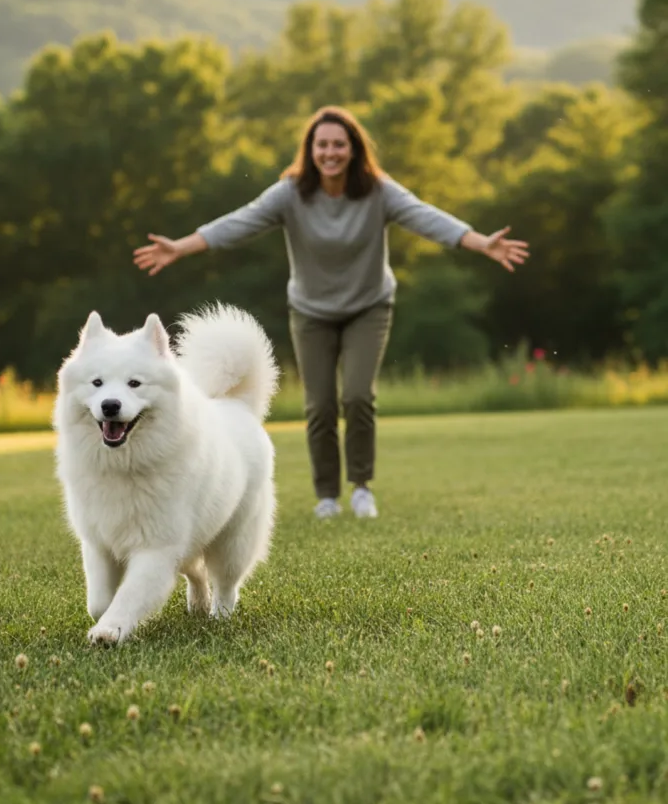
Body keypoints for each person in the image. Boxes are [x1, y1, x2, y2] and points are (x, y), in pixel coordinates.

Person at [132, 105, 529, 520]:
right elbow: (239, 222)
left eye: (339, 144)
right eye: (322, 144)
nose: (330, 152)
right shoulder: (290, 193)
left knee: (357, 397)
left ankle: (360, 487)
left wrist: (481, 242)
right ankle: (327, 496)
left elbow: (426, 217)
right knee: (319, 405)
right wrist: (180, 246)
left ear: (354, 149)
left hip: (369, 306)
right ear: (311, 149)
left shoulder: (379, 191)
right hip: (311, 312)